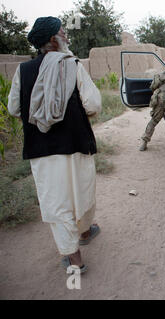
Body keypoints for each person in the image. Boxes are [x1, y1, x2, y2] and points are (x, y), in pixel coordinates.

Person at [7, 17, 102, 273]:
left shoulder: (23, 71)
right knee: (81, 192)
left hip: (42, 150)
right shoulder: (72, 65)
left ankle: (74, 259)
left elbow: (14, 108)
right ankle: (83, 232)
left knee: (56, 202)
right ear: (53, 39)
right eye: (62, 31)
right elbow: (93, 105)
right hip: (77, 143)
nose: (67, 35)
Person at [139, 67, 165, 151]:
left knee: (154, 120)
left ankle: (144, 142)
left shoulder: (163, 74)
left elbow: (153, 86)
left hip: (161, 97)